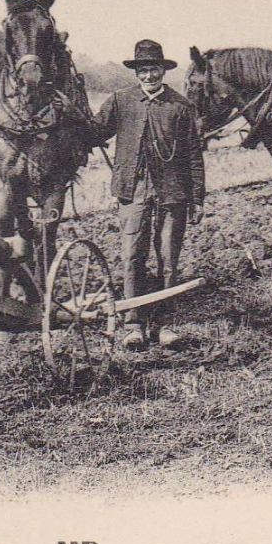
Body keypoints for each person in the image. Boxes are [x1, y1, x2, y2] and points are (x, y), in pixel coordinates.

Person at [93, 39, 206, 340]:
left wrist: (198, 198)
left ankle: (165, 323)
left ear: (163, 71)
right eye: (143, 70)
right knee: (133, 255)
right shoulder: (120, 101)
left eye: (154, 69)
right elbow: (93, 133)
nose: (149, 76)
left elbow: (194, 155)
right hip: (133, 190)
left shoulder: (181, 106)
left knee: (168, 258)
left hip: (173, 193)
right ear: (136, 72)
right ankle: (133, 323)